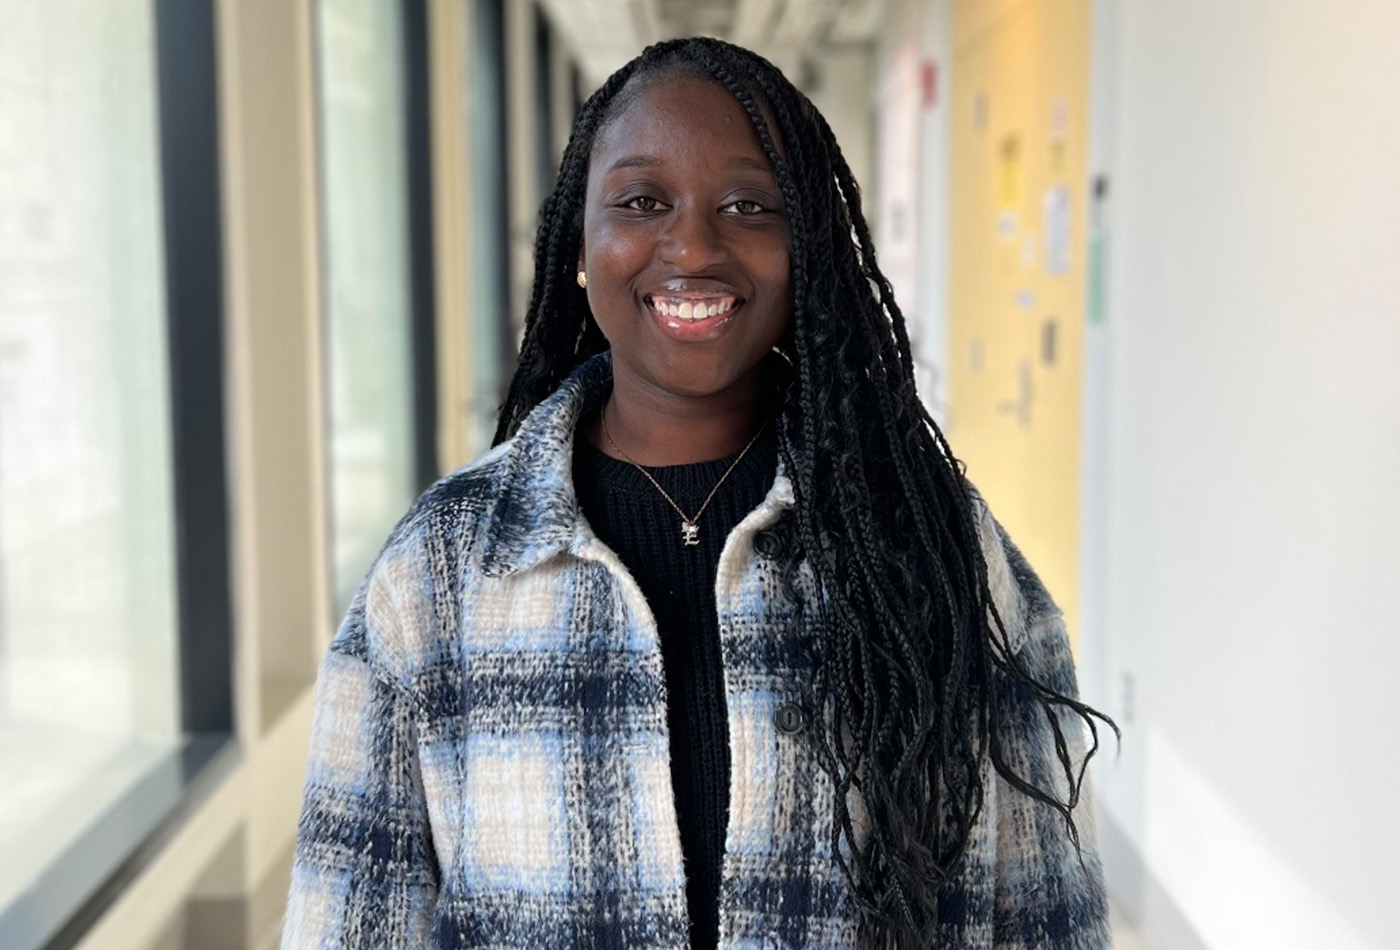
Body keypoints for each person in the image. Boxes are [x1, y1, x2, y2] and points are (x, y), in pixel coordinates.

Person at [282, 36, 1114, 950]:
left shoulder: (929, 543)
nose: (692, 245)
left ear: (807, 250)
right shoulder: (439, 573)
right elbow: (349, 917)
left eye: (749, 206)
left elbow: (1046, 912)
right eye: (642, 202)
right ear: (579, 246)